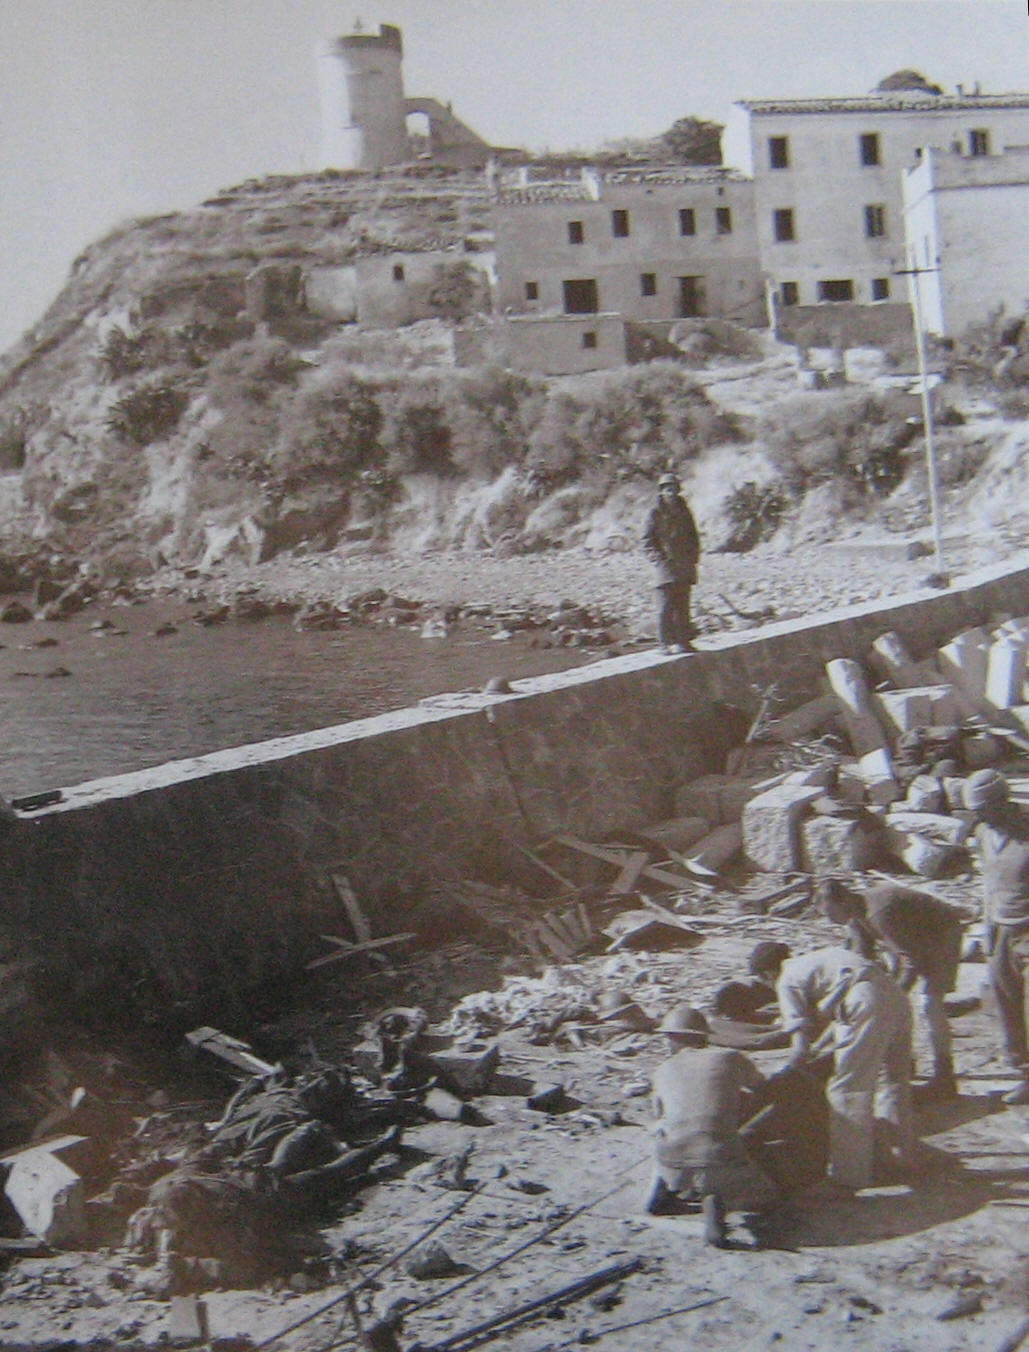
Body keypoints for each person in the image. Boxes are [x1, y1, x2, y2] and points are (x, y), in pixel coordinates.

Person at [750, 941, 914, 1191]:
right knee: (893, 1081)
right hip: (893, 993)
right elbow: (840, 1019)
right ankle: (899, 1157)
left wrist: (780, 1076)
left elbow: (800, 1048)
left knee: (847, 1090)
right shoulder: (819, 959)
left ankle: (847, 1177)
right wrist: (819, 1048)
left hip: (866, 999)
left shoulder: (786, 980)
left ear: (767, 974)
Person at [815, 877, 964, 1102]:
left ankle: (945, 1078)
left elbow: (912, 961)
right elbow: (861, 958)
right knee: (884, 995)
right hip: (911, 937)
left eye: (831, 914)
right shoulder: (854, 915)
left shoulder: (880, 913)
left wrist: (891, 995)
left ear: (844, 901)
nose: (832, 921)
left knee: (928, 1004)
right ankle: (904, 1063)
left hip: (941, 934)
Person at [646, 1004, 778, 1246]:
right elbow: (762, 1086)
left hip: (673, 1156)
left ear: (672, 1039)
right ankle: (717, 1197)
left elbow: (659, 1115)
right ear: (704, 1036)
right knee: (767, 1194)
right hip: (721, 1153)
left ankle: (662, 1186)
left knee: (663, 1130)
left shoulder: (661, 1070)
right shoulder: (729, 1057)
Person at [963, 767, 1029, 1106]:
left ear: (1002, 802)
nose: (978, 816)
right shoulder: (985, 833)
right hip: (1000, 929)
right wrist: (987, 931)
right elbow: (988, 883)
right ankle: (1024, 1073)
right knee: (1007, 1006)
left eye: (982, 810)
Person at [643, 472, 700, 654]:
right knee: (664, 608)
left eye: (674, 489)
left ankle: (684, 641)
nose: (671, 493)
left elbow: (694, 537)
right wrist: (659, 561)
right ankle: (664, 644)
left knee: (683, 606)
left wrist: (693, 558)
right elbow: (647, 541)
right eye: (668, 490)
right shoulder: (654, 512)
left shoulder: (684, 511)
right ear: (661, 492)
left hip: (684, 565)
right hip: (664, 567)